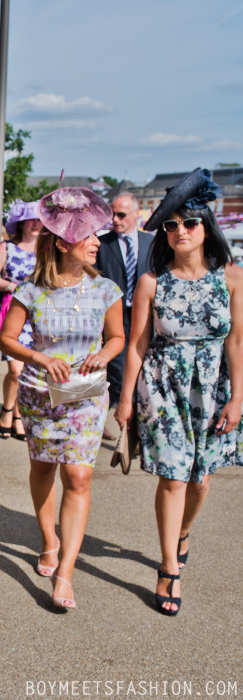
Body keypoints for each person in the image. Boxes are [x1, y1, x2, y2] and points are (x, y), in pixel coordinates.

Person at [114, 168, 242, 615]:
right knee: (173, 477)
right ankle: (169, 566)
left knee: (201, 481)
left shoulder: (231, 276)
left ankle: (182, 532)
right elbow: (136, 345)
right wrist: (126, 398)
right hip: (162, 385)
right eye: (171, 225)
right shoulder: (152, 281)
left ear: (207, 226)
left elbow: (238, 342)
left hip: (213, 386)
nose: (180, 231)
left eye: (189, 223)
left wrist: (238, 398)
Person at [0, 187, 125, 611]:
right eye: (89, 236)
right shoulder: (29, 291)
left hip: (88, 396)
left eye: (97, 236)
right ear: (63, 243)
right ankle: (49, 539)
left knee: (79, 477)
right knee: (43, 468)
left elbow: (118, 337)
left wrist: (104, 355)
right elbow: (8, 338)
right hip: (40, 396)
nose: (96, 243)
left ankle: (66, 572)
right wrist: (39, 355)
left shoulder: (106, 289)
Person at [0, 199, 41, 439]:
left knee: (28, 371)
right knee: (16, 370)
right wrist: (12, 287)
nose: (37, 224)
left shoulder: (48, 251)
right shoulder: (7, 247)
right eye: (32, 219)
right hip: (12, 312)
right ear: (22, 222)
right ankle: (9, 410)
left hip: (38, 316)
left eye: (41, 220)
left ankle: (15, 414)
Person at [97, 192, 154, 412]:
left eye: (121, 214)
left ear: (136, 214)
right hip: (114, 316)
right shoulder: (101, 244)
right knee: (118, 370)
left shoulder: (152, 242)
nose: (115, 219)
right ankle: (117, 414)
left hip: (144, 316)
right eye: (112, 214)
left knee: (142, 368)